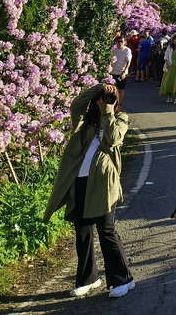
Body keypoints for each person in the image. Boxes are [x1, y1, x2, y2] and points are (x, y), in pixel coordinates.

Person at [44, 82, 135, 299]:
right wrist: (98, 89)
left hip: (104, 183)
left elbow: (113, 138)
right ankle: (88, 278)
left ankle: (124, 279)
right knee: (82, 231)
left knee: (106, 231)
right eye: (101, 100)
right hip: (80, 181)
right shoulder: (85, 123)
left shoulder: (121, 119)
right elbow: (76, 105)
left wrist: (108, 111)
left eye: (109, 99)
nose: (104, 102)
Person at [107, 35, 131, 111]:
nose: (120, 43)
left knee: (121, 89)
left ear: (125, 42)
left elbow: (128, 62)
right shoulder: (113, 50)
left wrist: (124, 71)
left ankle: (119, 104)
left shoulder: (127, 50)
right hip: (112, 72)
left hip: (121, 72)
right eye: (118, 41)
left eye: (122, 42)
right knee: (112, 88)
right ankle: (112, 104)